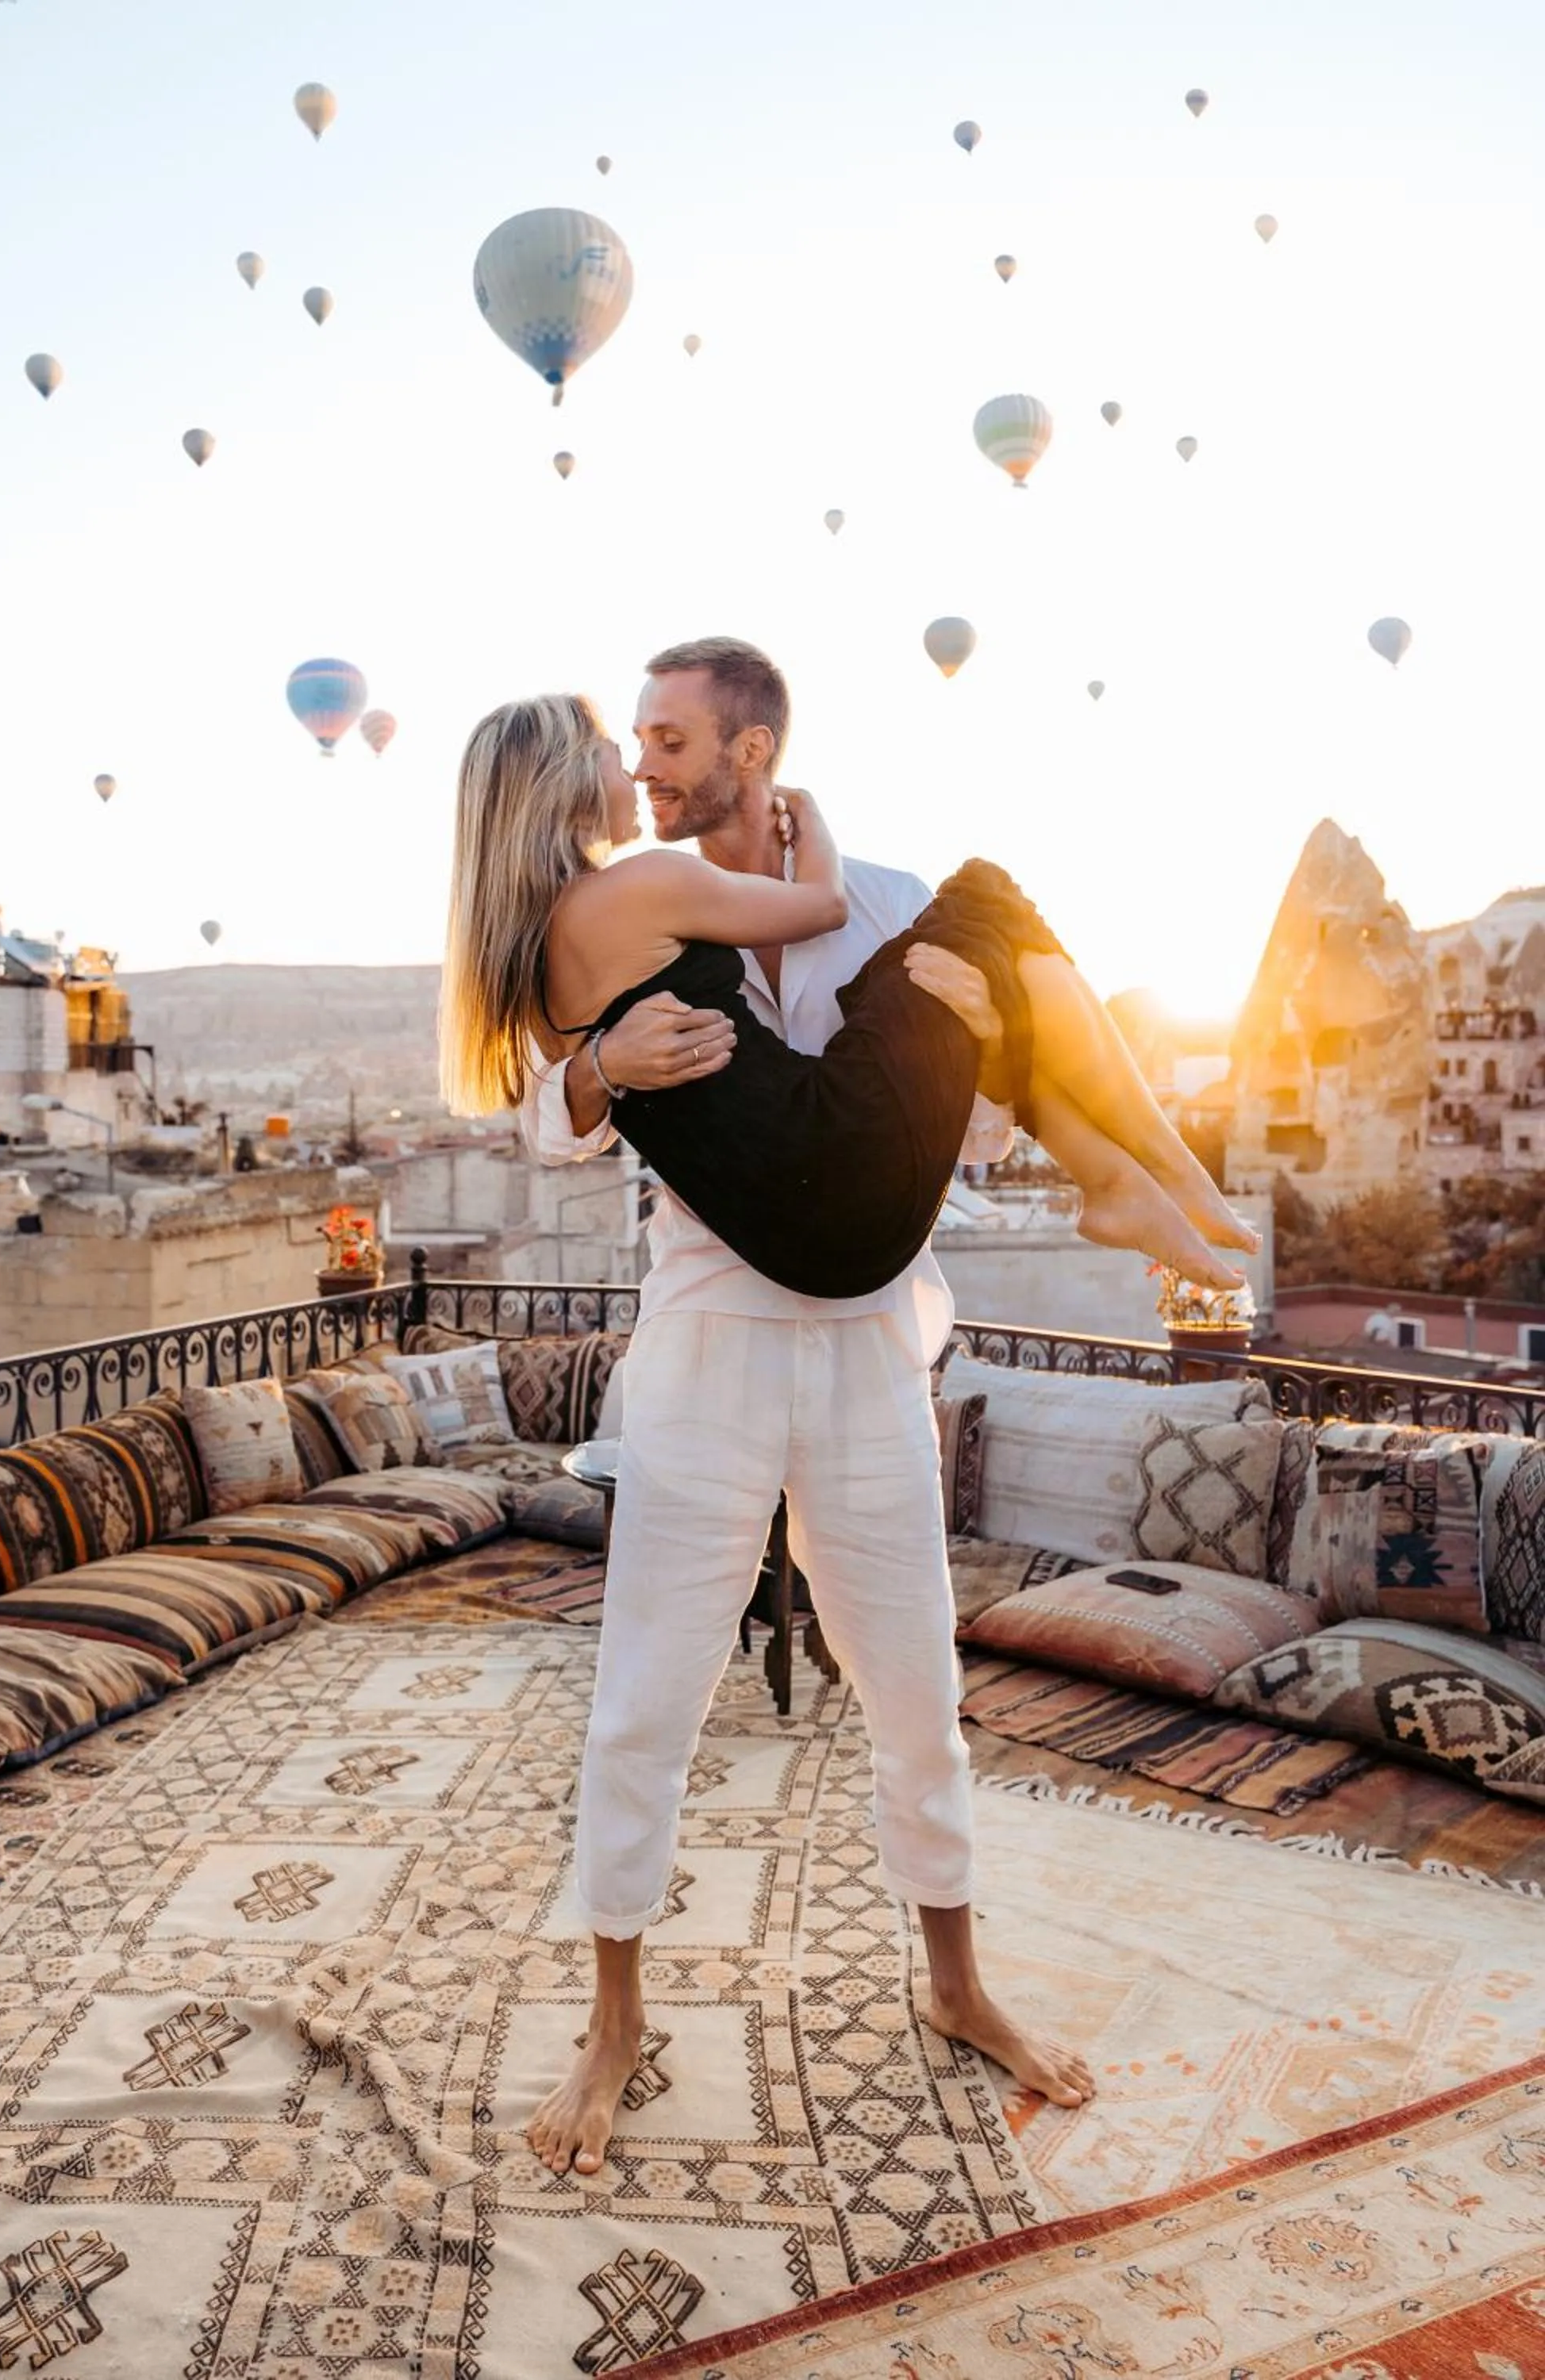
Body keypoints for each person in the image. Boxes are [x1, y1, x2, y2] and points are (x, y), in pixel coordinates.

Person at [440, 637, 1257, 2179]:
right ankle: (613, 2025)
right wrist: (600, 1066)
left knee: (914, 1693)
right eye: (630, 745)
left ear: (749, 753)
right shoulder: (624, 922)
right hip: (708, 1353)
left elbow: (987, 1087)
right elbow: (538, 1120)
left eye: (670, 741)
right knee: (643, 1709)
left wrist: (1044, 1097)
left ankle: (957, 1985)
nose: (644, 767)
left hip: (871, 1348)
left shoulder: (877, 902)